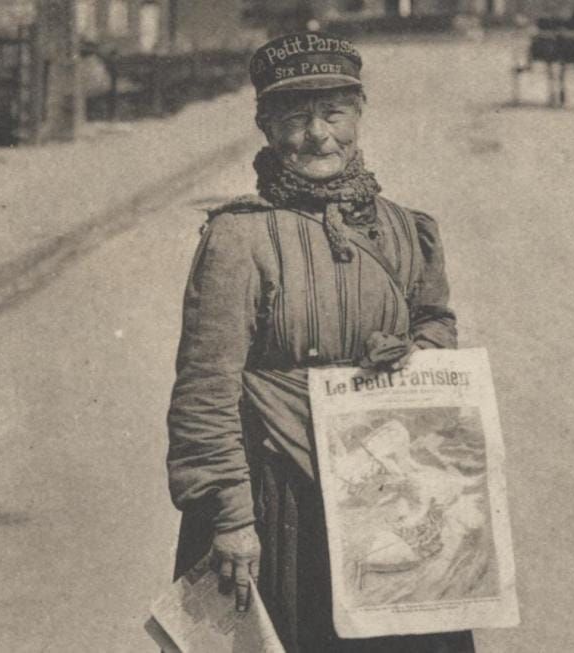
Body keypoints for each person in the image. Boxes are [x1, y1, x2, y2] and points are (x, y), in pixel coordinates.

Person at [167, 31, 474, 653]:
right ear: (264, 125)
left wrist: (414, 356)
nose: (318, 135)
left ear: (358, 115)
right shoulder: (239, 239)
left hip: (383, 496)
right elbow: (205, 389)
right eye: (295, 117)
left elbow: (437, 320)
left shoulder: (403, 228)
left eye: (334, 113)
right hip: (279, 499)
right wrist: (230, 518)